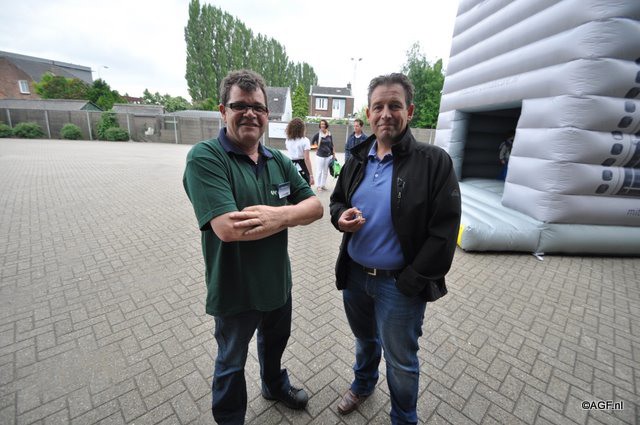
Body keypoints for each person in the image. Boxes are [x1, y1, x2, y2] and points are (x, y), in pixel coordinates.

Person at [183, 69, 323, 425]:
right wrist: (290, 215)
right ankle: (230, 418)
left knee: (275, 345)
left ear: (267, 114)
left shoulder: (277, 160)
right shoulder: (206, 158)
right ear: (223, 111)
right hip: (235, 289)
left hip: (277, 283)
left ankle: (273, 385)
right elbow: (228, 228)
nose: (250, 114)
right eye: (240, 106)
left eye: (258, 107)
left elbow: (315, 207)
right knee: (231, 362)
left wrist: (279, 216)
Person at [329, 73, 461, 424]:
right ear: (369, 113)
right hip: (356, 277)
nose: (385, 113)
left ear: (410, 111)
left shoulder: (434, 162)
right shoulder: (357, 158)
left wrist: (411, 282)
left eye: (394, 105)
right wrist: (340, 217)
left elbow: (444, 232)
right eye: (378, 107)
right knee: (365, 341)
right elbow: (337, 200)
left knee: (401, 360)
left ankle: (404, 418)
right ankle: (363, 385)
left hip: (399, 285)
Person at [285, 117, 314, 186]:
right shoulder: (305, 140)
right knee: (305, 186)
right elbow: (307, 158)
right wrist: (311, 175)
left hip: (290, 165)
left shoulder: (288, 140)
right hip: (302, 165)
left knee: (292, 186)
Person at [311, 119, 336, 192]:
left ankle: (323, 185)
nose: (322, 125)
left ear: (326, 125)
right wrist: (316, 148)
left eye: (324, 124)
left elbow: (332, 144)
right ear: (320, 125)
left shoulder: (329, 134)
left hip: (328, 156)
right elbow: (312, 143)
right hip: (320, 156)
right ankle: (318, 186)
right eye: (321, 124)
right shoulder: (318, 134)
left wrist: (334, 154)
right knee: (319, 171)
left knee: (325, 172)